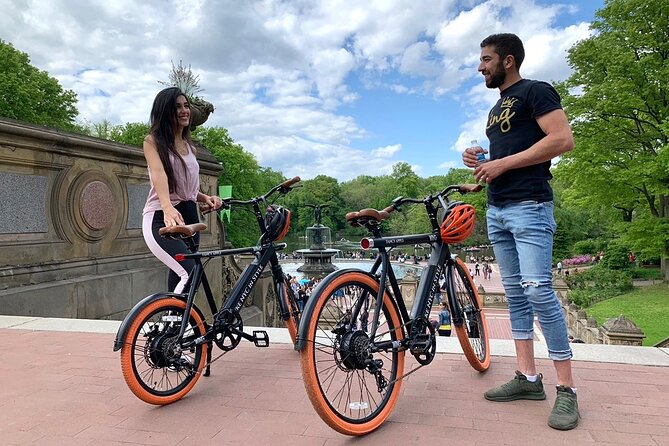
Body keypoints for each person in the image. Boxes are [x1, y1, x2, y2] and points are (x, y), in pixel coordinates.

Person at [462, 33, 578, 430]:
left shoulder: (536, 91)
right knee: (515, 295)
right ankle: (528, 378)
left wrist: (504, 164)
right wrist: (481, 163)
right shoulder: (495, 110)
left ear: (508, 60)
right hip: (498, 209)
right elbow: (507, 157)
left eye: (486, 59)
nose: (480, 67)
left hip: (530, 205)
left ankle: (567, 391)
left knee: (537, 289)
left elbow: (563, 140)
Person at [142, 87, 222, 294]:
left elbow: (187, 188)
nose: (184, 110)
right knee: (190, 272)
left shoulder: (190, 148)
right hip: (162, 217)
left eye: (186, 106)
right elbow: (159, 175)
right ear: (165, 111)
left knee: (183, 279)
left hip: (189, 215)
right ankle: (172, 321)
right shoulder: (153, 142)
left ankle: (175, 324)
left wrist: (206, 197)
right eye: (177, 107)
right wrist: (167, 207)